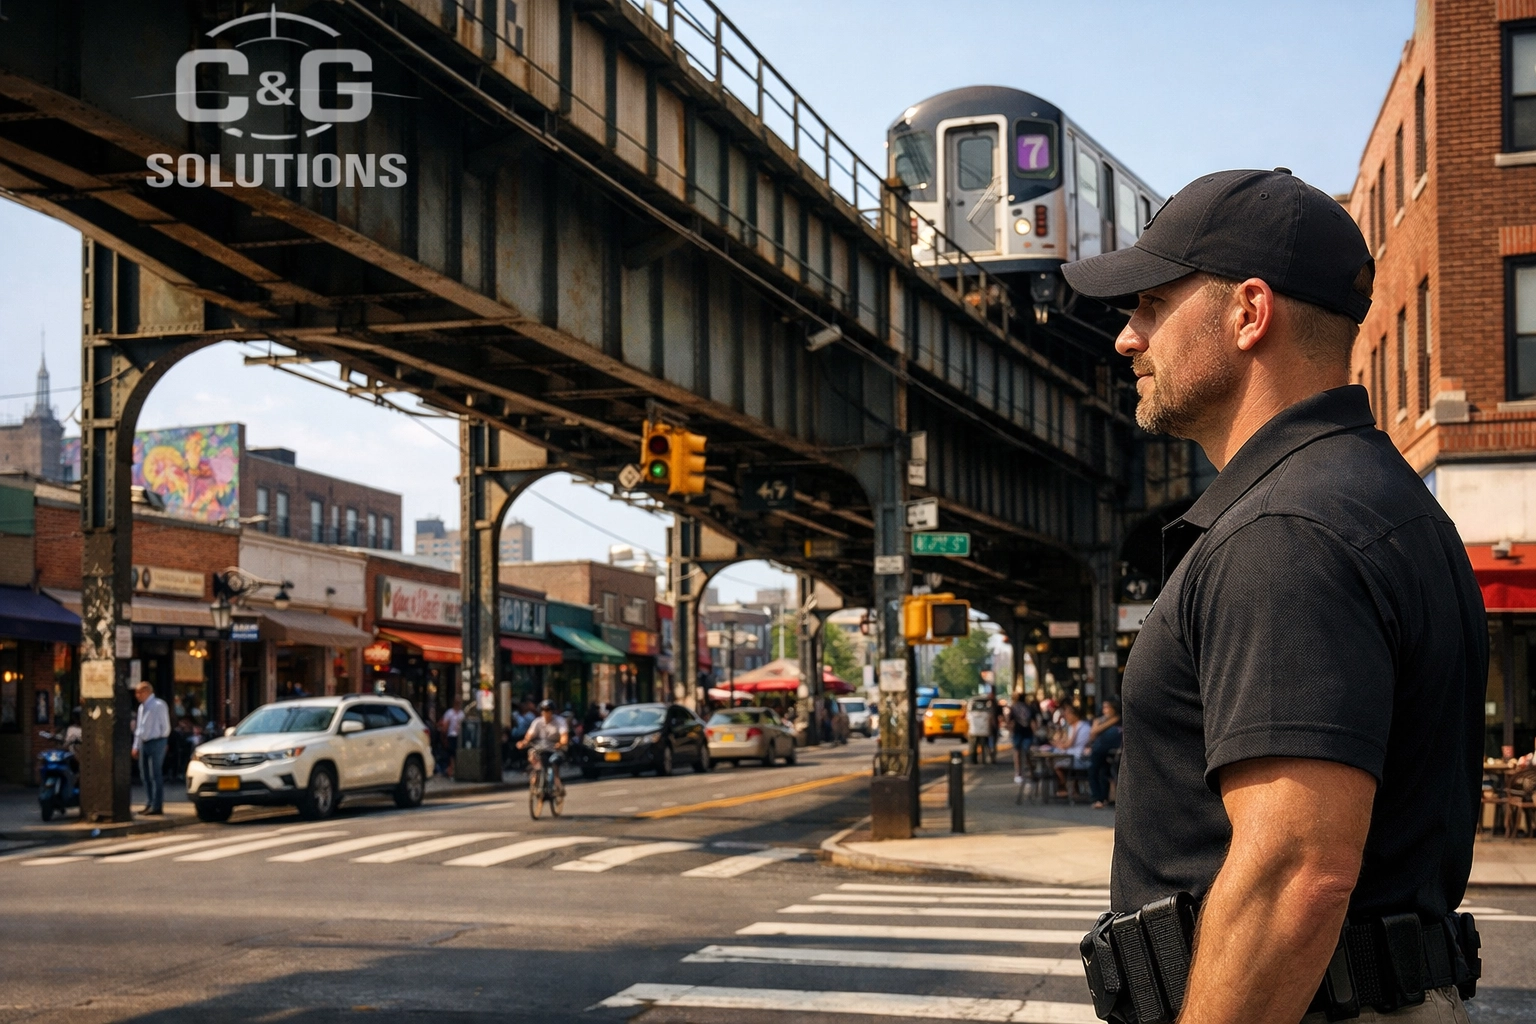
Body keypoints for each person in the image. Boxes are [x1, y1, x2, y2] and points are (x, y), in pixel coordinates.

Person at [1061, 168, 1486, 1022]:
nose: (1126, 341)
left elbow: (1296, 876)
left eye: (1149, 305)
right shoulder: (1378, 499)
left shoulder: (1283, 532)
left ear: (1249, 313)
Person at [130, 681, 170, 815]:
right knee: (145, 774)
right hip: (144, 742)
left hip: (156, 741)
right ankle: (149, 802)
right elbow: (139, 728)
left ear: (147, 692)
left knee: (155, 774)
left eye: (139, 692)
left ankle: (157, 805)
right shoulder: (142, 707)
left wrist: (162, 739)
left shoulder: (159, 705)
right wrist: (136, 745)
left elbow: (165, 726)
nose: (137, 695)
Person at [1046, 703, 1091, 798]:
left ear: (1074, 715)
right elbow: (1065, 741)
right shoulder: (1072, 727)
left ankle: (1064, 787)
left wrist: (1061, 744)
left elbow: (1069, 744)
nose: (1066, 717)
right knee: (1053, 762)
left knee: (1057, 765)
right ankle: (1071, 788)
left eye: (1068, 714)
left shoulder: (1082, 727)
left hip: (1079, 757)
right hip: (1072, 755)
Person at [516, 699, 569, 777]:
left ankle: (558, 785)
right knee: (532, 754)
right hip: (540, 748)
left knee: (554, 769)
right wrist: (524, 742)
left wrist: (561, 743)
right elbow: (529, 735)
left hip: (555, 749)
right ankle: (536, 774)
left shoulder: (560, 721)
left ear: (552, 711)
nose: (545, 712)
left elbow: (564, 736)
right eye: (543, 710)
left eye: (548, 710)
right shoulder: (537, 722)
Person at [1086, 698, 1122, 809]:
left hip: (1109, 751)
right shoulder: (1101, 720)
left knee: (1102, 773)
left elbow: (1095, 731)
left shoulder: (1116, 719)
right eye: (1103, 707)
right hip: (1099, 749)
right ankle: (1099, 798)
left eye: (1107, 707)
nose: (1104, 710)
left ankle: (1101, 797)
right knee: (1097, 772)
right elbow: (1092, 734)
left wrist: (1099, 724)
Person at [1008, 692, 1039, 785]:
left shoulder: (1014, 707)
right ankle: (1030, 772)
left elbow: (1010, 721)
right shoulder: (1029, 708)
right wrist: (1036, 732)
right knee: (1027, 753)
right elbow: (1034, 722)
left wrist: (1010, 731)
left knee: (1017, 752)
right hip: (1028, 733)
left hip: (1017, 732)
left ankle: (1018, 773)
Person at [439, 698, 464, 776]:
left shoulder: (462, 714)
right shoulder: (449, 713)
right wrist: (444, 735)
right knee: (451, 753)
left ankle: (456, 770)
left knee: (457, 753)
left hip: (459, 736)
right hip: (451, 735)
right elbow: (445, 724)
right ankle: (451, 770)